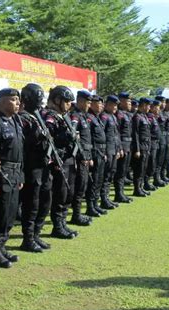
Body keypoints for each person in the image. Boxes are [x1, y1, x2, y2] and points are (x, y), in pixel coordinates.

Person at [0, 88, 24, 268]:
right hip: (2, 173)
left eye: (18, 100)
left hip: (15, 173)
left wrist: (21, 175)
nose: (17, 103)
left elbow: (20, 152)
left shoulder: (15, 121)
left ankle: (2, 246)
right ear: (1, 102)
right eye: (13, 100)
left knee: (10, 213)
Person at [18, 83, 53, 252]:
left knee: (45, 201)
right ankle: (28, 238)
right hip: (31, 166)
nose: (40, 102)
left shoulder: (38, 116)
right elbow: (24, 143)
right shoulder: (23, 118)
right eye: (37, 98)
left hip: (43, 164)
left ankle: (36, 234)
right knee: (31, 204)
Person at [41, 86, 78, 239]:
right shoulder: (48, 116)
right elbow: (49, 138)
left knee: (68, 193)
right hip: (58, 160)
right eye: (67, 101)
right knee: (60, 194)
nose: (69, 104)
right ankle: (57, 225)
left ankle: (62, 223)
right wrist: (67, 136)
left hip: (68, 158)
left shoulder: (64, 116)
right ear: (57, 100)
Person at [68, 90, 94, 226]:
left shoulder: (84, 116)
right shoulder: (75, 116)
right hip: (79, 158)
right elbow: (73, 137)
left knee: (83, 186)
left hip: (86, 155)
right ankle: (76, 215)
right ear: (81, 101)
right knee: (79, 187)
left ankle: (77, 214)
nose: (89, 105)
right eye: (88, 102)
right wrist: (81, 156)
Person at [86, 95, 108, 216]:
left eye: (101, 104)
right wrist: (90, 156)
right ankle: (90, 206)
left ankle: (95, 204)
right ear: (92, 104)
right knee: (93, 181)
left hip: (100, 152)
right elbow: (89, 139)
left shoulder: (97, 118)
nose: (101, 106)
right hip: (94, 153)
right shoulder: (89, 118)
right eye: (98, 103)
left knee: (99, 180)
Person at [99, 95, 121, 209]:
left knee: (111, 174)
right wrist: (105, 152)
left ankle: (106, 198)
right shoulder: (104, 117)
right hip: (107, 150)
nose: (115, 107)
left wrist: (118, 149)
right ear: (107, 105)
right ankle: (103, 199)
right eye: (113, 105)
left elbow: (116, 135)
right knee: (105, 176)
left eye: (116, 105)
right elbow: (103, 135)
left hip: (114, 150)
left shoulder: (113, 117)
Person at [114, 92, 133, 203]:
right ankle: (118, 194)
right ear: (121, 102)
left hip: (128, 145)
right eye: (128, 101)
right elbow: (117, 133)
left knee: (124, 171)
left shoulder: (126, 114)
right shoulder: (119, 115)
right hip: (122, 146)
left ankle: (121, 193)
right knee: (120, 171)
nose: (130, 103)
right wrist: (119, 148)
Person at [131, 98, 152, 197]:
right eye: (148, 105)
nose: (149, 108)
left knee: (144, 168)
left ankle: (141, 187)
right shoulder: (137, 117)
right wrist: (137, 149)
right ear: (143, 105)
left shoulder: (144, 116)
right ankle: (137, 189)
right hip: (141, 147)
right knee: (138, 169)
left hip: (146, 146)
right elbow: (135, 134)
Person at [145, 99, 162, 191]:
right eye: (157, 107)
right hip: (151, 143)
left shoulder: (154, 117)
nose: (158, 109)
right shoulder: (149, 117)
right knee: (149, 164)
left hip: (156, 143)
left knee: (154, 162)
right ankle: (146, 182)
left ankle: (152, 180)